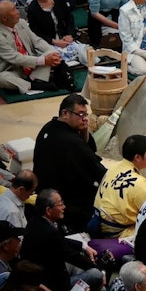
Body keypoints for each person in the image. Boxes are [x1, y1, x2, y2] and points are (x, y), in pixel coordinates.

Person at [31, 94, 105, 232]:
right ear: (65, 113)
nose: (85, 118)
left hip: (44, 194)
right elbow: (96, 168)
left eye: (86, 114)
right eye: (80, 114)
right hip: (67, 205)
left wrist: (84, 131)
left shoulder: (48, 127)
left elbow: (88, 150)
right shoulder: (72, 141)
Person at [21, 188, 104, 291]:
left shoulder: (35, 221)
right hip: (54, 287)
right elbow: (71, 256)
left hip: (44, 275)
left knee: (83, 256)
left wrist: (83, 246)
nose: (63, 207)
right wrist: (100, 270)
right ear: (48, 210)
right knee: (96, 274)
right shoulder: (49, 232)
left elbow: (61, 241)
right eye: (60, 204)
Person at [0, 0, 64, 93]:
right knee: (2, 78)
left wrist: (52, 52)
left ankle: (34, 79)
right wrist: (44, 60)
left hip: (32, 64)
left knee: (51, 51)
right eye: (14, 10)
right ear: (5, 18)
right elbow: (16, 58)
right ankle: (35, 85)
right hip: (13, 69)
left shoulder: (21, 23)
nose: (18, 12)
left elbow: (37, 41)